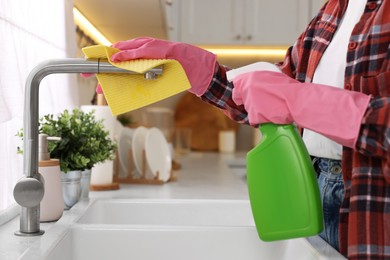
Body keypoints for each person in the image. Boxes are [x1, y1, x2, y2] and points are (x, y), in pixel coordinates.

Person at [99, 0, 389, 258]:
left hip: (373, 207)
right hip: (313, 188)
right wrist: (198, 72)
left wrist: (301, 100)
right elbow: (268, 97)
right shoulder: (331, 12)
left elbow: (293, 98)